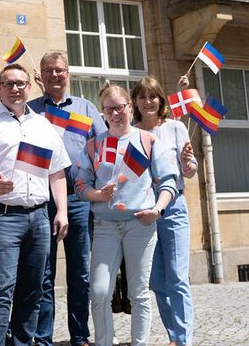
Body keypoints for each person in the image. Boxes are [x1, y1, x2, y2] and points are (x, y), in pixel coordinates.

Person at [0, 64, 71, 346]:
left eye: (20, 83)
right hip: (0, 217)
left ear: (29, 87)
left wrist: (63, 212)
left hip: (39, 218)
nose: (15, 89)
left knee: (33, 291)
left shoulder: (43, 125)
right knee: (0, 291)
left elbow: (57, 173)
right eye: (9, 84)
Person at [76, 84, 178, 346]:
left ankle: (139, 343)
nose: (115, 113)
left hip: (140, 225)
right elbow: (80, 185)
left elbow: (168, 183)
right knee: (99, 292)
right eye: (109, 109)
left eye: (120, 107)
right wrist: (98, 195)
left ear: (130, 108)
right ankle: (104, 342)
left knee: (138, 293)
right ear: (103, 113)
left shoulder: (148, 140)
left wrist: (157, 210)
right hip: (105, 225)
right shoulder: (94, 145)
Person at [29, 51, 106, 346]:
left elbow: (104, 150)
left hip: (78, 201)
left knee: (79, 273)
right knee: (43, 274)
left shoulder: (85, 109)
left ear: (68, 74)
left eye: (59, 70)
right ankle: (43, 337)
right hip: (40, 201)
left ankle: (79, 335)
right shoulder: (32, 110)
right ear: (42, 76)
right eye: (48, 70)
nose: (54, 75)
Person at [133, 75, 198, 346]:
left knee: (177, 277)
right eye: (142, 97)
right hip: (144, 213)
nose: (148, 101)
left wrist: (187, 163)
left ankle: (183, 340)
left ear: (161, 100)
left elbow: (191, 171)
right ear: (135, 101)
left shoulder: (175, 128)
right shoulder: (132, 131)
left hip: (173, 209)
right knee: (157, 281)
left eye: (153, 96)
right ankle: (174, 334)